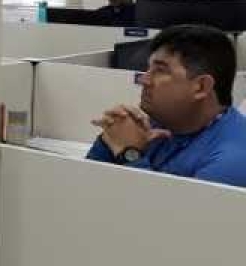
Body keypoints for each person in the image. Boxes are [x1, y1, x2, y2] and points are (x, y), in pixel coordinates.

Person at [87, 25, 246, 188]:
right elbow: (86, 185)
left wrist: (130, 154)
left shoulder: (232, 161)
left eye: (160, 70)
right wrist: (110, 140)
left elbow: (161, 212)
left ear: (201, 87)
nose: (144, 80)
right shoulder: (165, 119)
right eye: (148, 69)